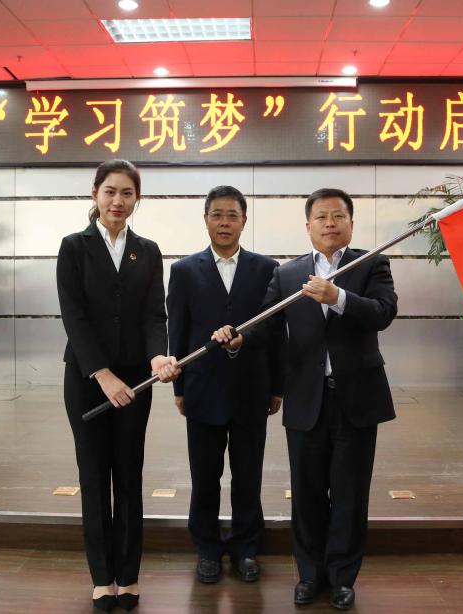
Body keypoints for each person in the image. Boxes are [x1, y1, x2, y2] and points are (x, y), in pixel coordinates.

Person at [213, 188, 397, 611]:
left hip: (356, 398)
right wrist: (239, 338)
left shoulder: (371, 263)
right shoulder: (288, 274)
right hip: (306, 399)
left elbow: (383, 312)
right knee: (307, 492)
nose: (330, 224)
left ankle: (343, 578)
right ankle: (310, 575)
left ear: (351, 222)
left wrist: (338, 297)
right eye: (321, 217)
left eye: (338, 216)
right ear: (308, 225)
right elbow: (266, 324)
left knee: (350, 495)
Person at [56, 159, 180, 612]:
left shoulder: (147, 251)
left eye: (127, 193)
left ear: (136, 199)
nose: (118, 201)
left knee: (129, 474)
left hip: (135, 380)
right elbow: (74, 317)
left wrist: (157, 356)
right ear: (95, 194)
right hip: (87, 379)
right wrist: (103, 375)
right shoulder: (74, 247)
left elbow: (154, 315)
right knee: (93, 476)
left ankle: (127, 576)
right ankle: (100, 577)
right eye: (110, 191)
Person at [166, 186, 284, 585]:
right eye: (217, 214)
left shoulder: (267, 269)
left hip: (252, 388)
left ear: (244, 221)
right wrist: (179, 389)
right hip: (202, 389)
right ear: (206, 220)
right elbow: (178, 332)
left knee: (248, 476)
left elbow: (275, 330)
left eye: (232, 215)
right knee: (205, 476)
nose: (224, 222)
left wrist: (277, 386)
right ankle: (207, 549)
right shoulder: (184, 271)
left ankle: (246, 549)